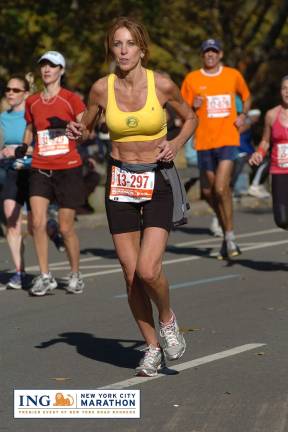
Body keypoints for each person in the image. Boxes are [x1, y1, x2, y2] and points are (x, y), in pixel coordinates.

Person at [67, 17, 197, 376]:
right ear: (112, 48)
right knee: (129, 274)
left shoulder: (163, 85)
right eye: (117, 44)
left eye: (130, 44)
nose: (123, 51)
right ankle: (152, 348)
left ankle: (168, 318)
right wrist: (77, 128)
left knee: (148, 269)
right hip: (120, 182)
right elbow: (86, 126)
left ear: (142, 48)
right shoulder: (100, 89)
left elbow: (190, 119)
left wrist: (175, 142)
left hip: (156, 181)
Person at [16, 50, 86, 296]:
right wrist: (24, 145)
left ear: (61, 71)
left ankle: (75, 273)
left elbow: (84, 129)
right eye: (44, 65)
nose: (47, 70)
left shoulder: (71, 99)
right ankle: (45, 276)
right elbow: (29, 126)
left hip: (68, 168)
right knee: (37, 222)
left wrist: (69, 127)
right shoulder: (32, 101)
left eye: (52, 66)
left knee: (66, 228)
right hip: (40, 166)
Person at [181, 39, 251, 259]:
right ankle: (226, 236)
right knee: (209, 192)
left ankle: (229, 235)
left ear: (220, 54)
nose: (210, 55)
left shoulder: (232, 75)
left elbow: (247, 97)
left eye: (214, 51)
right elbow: (182, 108)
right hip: (203, 142)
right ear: (202, 55)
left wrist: (242, 115)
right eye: (206, 52)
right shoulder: (192, 79)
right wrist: (194, 107)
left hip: (228, 139)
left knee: (221, 188)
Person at [249, 75, 288, 230]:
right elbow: (265, 140)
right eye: (284, 88)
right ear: (280, 91)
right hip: (278, 171)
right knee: (281, 219)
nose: (287, 92)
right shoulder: (272, 115)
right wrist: (259, 152)